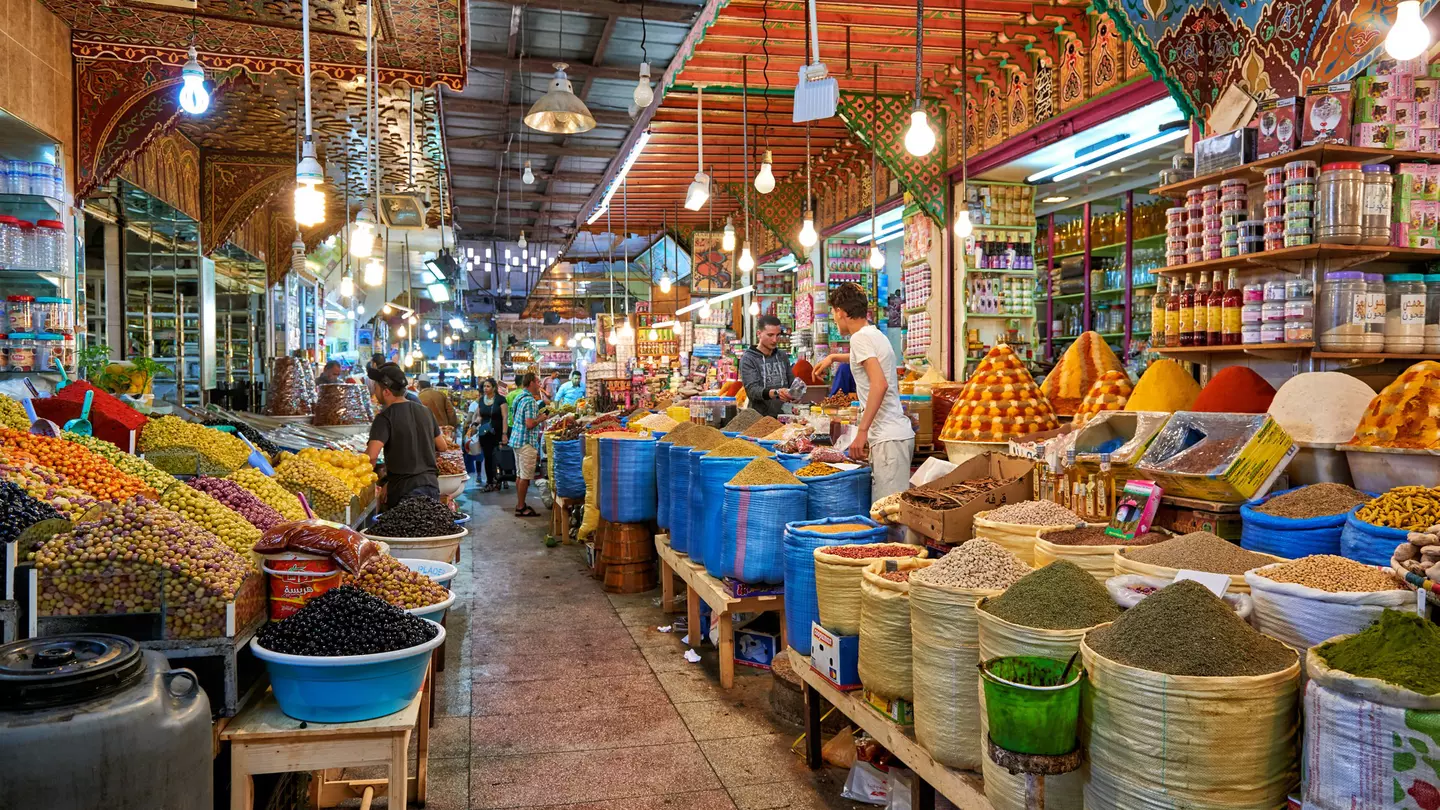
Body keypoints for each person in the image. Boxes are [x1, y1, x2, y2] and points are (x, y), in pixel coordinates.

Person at [816, 282, 915, 501]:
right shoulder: (873, 334)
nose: (834, 319)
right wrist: (833, 357)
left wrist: (862, 432)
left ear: (841, 312)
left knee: (889, 516)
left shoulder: (859, 338)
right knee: (891, 513)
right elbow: (865, 360)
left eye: (833, 313)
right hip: (895, 436)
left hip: (888, 438)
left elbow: (879, 384)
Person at [365, 362, 449, 510]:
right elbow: (442, 446)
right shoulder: (425, 412)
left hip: (404, 491)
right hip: (431, 486)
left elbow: (371, 457)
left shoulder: (384, 418)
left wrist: (362, 482)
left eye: (376, 386)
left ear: (386, 392)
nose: (374, 390)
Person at [508, 372, 548, 517]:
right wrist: (541, 418)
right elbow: (530, 423)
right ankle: (521, 507)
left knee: (520, 475)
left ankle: (521, 504)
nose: (540, 385)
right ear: (531, 382)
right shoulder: (530, 401)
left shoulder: (519, 396)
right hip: (526, 442)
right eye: (538, 382)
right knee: (525, 477)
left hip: (517, 440)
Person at [739, 314, 794, 418]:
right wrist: (776, 392)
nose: (775, 340)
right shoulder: (748, 359)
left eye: (778, 335)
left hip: (784, 416)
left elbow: (791, 380)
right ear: (759, 334)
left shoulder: (782, 356)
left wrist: (795, 392)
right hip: (759, 419)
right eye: (770, 335)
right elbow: (752, 390)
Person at [466, 377, 507, 492]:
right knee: (488, 458)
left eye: (488, 386)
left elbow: (505, 417)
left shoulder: (500, 400)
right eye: (484, 386)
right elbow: (480, 416)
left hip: (497, 432)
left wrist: (504, 433)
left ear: (494, 388)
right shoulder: (481, 400)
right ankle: (489, 482)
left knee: (498, 458)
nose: (486, 388)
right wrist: (474, 424)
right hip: (484, 433)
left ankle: (500, 480)